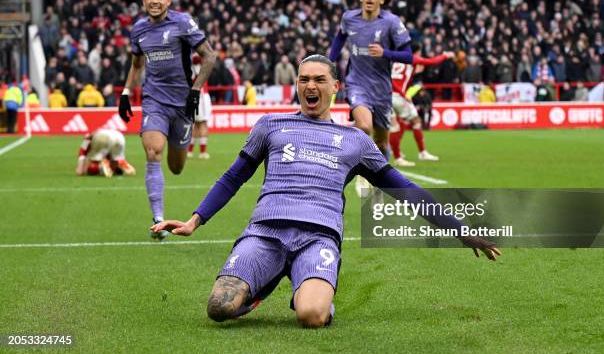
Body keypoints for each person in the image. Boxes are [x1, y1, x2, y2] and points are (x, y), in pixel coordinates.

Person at [151, 55, 500, 328]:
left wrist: (459, 230)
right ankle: (265, 283)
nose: (310, 86)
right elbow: (233, 176)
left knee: (312, 317)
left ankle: (310, 288)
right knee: (218, 308)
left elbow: (405, 190)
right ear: (297, 86)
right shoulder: (271, 125)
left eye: (319, 80)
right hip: (265, 232)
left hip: (318, 238)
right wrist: (196, 219)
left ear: (336, 86)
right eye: (304, 80)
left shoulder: (355, 141)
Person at [117, 0, 216, 240]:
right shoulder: (138, 30)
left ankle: (178, 152)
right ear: (143, 0)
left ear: (168, 0)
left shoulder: (183, 23)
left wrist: (195, 90)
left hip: (182, 105)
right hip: (154, 101)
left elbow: (210, 56)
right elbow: (137, 65)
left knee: (176, 167)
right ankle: (158, 220)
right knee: (153, 151)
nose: (155, 1)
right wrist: (127, 91)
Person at [328, 0, 413, 192]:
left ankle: (377, 183)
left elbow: (409, 56)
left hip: (382, 89)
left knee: (381, 143)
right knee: (363, 126)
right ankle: (356, 170)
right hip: (356, 83)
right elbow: (339, 39)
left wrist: (386, 52)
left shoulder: (392, 23)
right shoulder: (349, 18)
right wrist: (328, 63)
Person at [389, 46, 450, 166]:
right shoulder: (412, 58)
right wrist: (445, 55)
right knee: (416, 121)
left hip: (385, 96)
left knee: (395, 126)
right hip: (398, 97)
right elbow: (432, 62)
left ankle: (397, 155)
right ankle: (422, 153)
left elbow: (393, 78)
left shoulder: (396, 60)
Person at [188, 56, 212, 159]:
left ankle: (190, 151)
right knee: (203, 123)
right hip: (202, 96)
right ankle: (203, 152)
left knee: (196, 124)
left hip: (193, 96)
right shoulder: (201, 68)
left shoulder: (190, 69)